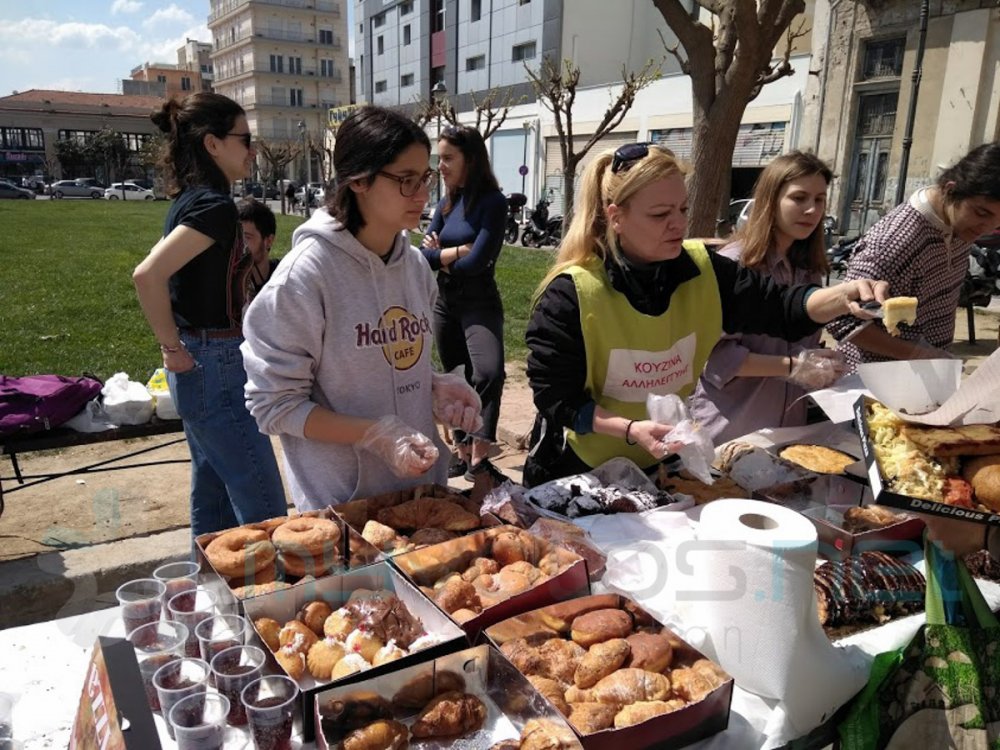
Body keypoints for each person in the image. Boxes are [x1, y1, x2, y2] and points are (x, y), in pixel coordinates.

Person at [524, 143, 887, 487]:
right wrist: (631, 429)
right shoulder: (571, 294)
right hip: (575, 468)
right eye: (660, 214)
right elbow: (558, 399)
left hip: (657, 463)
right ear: (616, 217)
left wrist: (843, 296)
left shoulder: (706, 272)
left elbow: (782, 307)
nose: (678, 224)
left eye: (682, 209)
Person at [240, 106, 482, 510]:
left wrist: (434, 387)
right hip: (345, 506)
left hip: (424, 493)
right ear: (359, 181)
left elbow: (391, 361)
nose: (423, 195)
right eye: (406, 180)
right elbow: (274, 406)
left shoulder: (415, 269)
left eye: (425, 178)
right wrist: (374, 434)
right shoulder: (303, 279)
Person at [132, 92, 287, 536]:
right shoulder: (215, 207)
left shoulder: (194, 200)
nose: (252, 149)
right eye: (244, 138)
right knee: (266, 507)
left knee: (214, 497)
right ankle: (268, 602)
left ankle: (211, 592)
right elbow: (148, 276)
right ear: (212, 144)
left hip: (206, 363)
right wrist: (172, 348)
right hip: (212, 362)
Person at [689, 152, 846, 443]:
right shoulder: (735, 264)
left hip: (790, 431)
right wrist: (796, 366)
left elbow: (804, 346)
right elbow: (715, 358)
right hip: (733, 429)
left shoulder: (809, 270)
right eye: (799, 198)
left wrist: (822, 365)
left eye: (819, 200)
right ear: (771, 200)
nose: (811, 210)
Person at [828, 142, 1000, 369]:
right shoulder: (895, 240)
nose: (988, 227)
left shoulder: (960, 227)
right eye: (981, 213)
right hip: (873, 381)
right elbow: (840, 320)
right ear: (950, 190)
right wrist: (917, 354)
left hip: (925, 377)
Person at [420, 125, 508, 481]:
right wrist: (456, 251)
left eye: (447, 158)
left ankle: (479, 456)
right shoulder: (446, 202)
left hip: (479, 302)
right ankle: (460, 451)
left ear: (470, 159)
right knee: (456, 378)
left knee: (487, 372)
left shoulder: (493, 203)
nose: (440, 165)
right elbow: (423, 256)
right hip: (445, 301)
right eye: (439, 158)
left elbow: (477, 264)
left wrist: (440, 253)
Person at [237, 197, 279, 299]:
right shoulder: (225, 284)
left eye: (247, 237)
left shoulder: (282, 277)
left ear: (268, 241)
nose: (239, 244)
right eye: (235, 237)